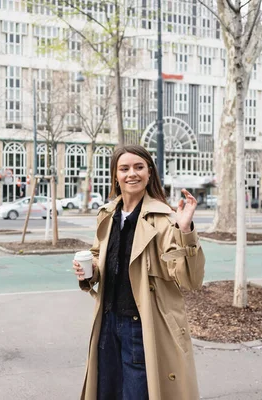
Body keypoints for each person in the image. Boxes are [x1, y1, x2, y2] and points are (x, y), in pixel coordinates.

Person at [73, 145, 205, 400]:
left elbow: (190, 279)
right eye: (124, 168)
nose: (131, 174)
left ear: (149, 173)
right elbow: (100, 256)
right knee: (106, 392)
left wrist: (185, 230)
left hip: (141, 326)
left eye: (139, 167)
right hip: (107, 322)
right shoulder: (107, 214)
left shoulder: (166, 219)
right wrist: (89, 272)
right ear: (116, 175)